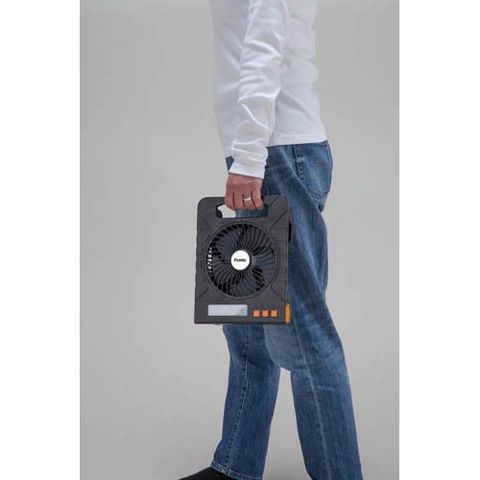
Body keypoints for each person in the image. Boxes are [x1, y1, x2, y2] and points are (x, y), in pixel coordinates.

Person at [181, 1, 363, 479]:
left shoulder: (260, 154)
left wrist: (248, 157)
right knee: (247, 328)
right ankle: (236, 466)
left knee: (303, 334)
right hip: (269, 152)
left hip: (274, 154)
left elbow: (265, 46)